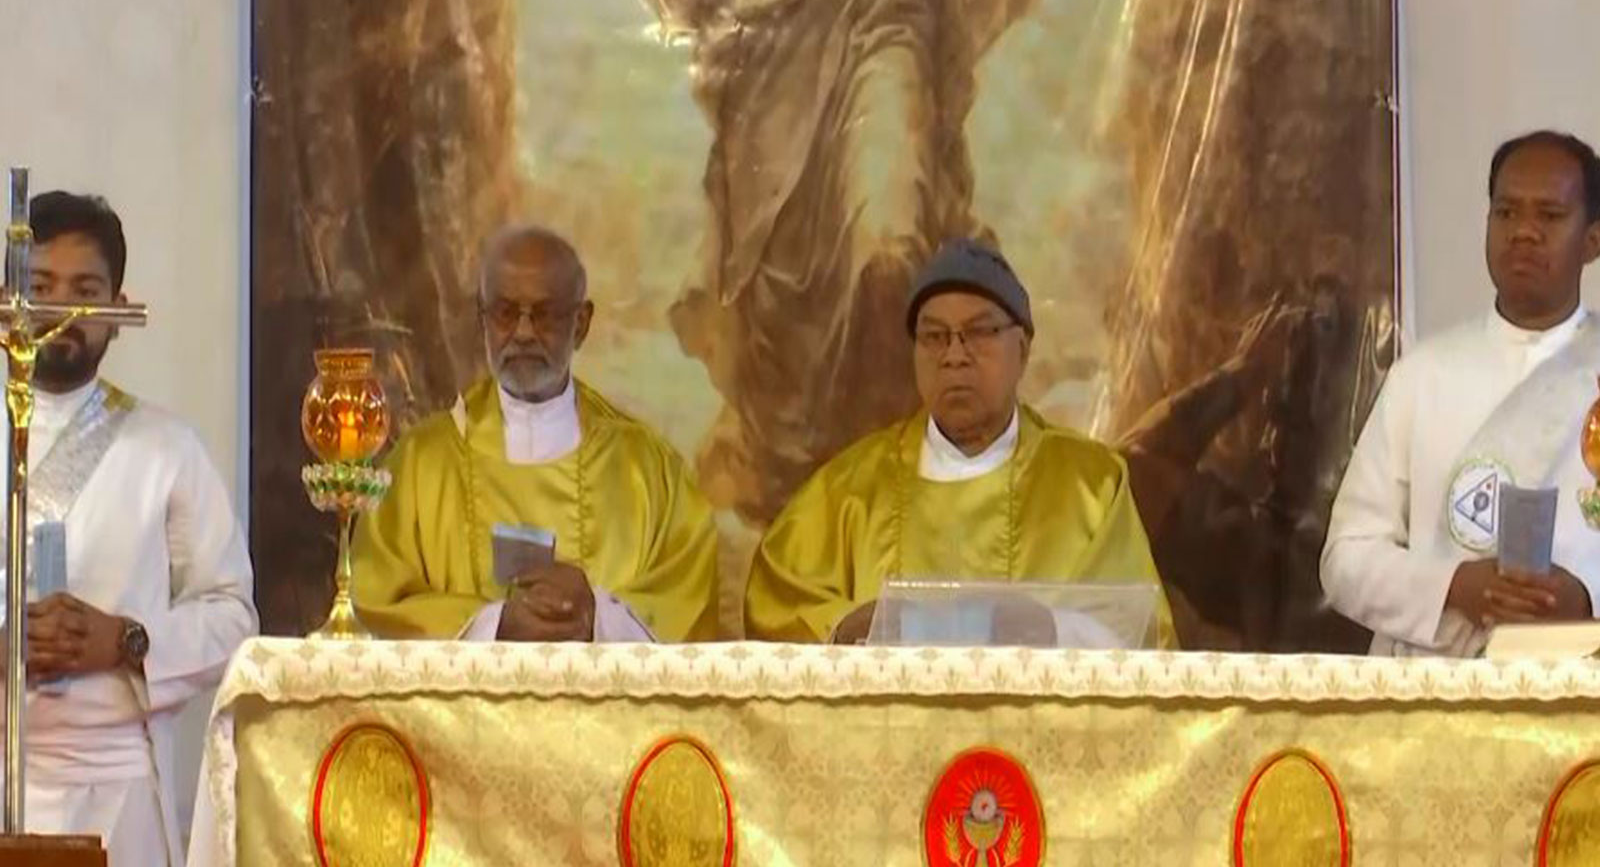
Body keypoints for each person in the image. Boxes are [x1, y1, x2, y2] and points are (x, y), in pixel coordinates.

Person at [7, 192, 256, 867]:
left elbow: (234, 614)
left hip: (117, 787)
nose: (60, 310)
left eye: (86, 292)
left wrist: (127, 640)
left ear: (119, 304)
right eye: (39, 287)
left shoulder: (167, 448)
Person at [744, 238, 1174, 645]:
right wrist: (843, 626)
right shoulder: (847, 492)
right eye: (934, 336)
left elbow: (1139, 633)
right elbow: (776, 601)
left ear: (1022, 349)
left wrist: (1049, 627)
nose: (954, 355)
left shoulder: (1090, 486)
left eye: (979, 332)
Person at [353, 226, 718, 641]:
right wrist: (495, 623)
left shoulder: (648, 470)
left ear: (581, 324)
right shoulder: (420, 465)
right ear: (482, 318)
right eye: (506, 313)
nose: (523, 333)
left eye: (543, 314)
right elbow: (376, 600)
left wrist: (596, 615)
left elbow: (687, 601)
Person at [1322, 130, 1600, 655]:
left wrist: (1583, 600)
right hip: (1436, 705)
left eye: (1550, 216)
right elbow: (1345, 561)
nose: (1524, 233)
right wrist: (1454, 586)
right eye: (1507, 212)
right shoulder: (1422, 376)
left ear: (1592, 240)